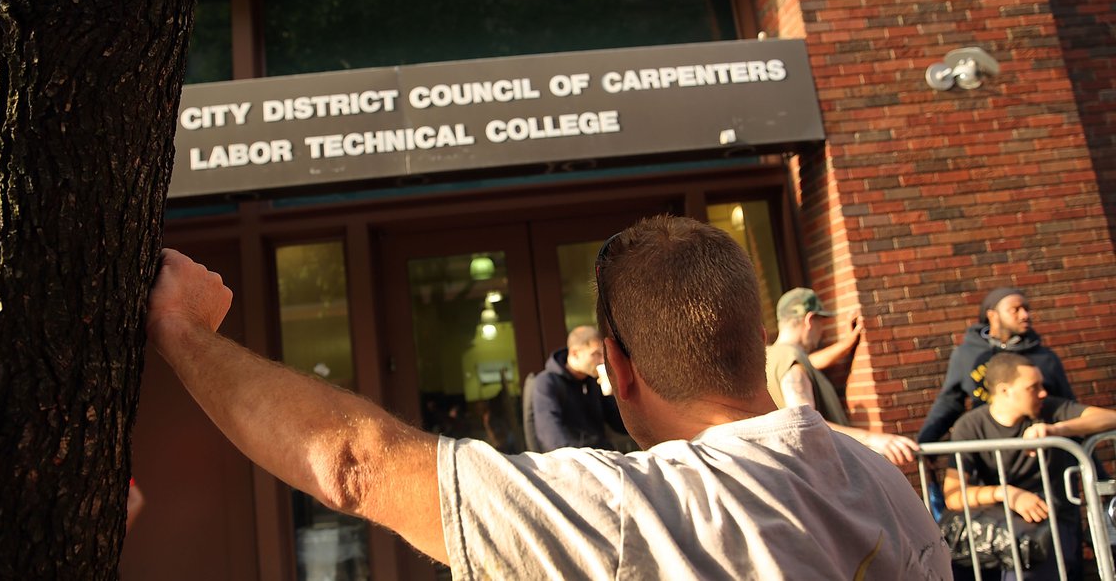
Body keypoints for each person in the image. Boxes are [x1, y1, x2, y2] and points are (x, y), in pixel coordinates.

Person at [147, 215, 951, 578]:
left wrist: (184, 330)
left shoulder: (633, 512)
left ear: (619, 370)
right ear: (752, 343)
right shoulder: (878, 480)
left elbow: (354, 465)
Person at [942, 352, 1116, 580]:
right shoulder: (970, 426)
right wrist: (1007, 494)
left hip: (1051, 524)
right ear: (1005, 391)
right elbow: (953, 495)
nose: (1043, 392)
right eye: (1033, 387)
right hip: (999, 525)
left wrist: (1057, 430)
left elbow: (1111, 418)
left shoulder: (1049, 410)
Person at [766, 287, 920, 466]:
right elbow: (805, 422)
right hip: (825, 473)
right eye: (821, 322)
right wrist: (873, 440)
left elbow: (811, 362)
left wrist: (846, 344)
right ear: (809, 320)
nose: (822, 330)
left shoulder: (771, 358)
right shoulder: (792, 359)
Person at [917, 287, 1074, 445]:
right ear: (992, 315)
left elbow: (1067, 407)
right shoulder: (967, 355)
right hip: (989, 451)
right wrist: (925, 443)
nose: (1025, 315)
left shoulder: (1044, 357)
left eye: (1026, 309)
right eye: (1015, 310)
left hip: (1038, 449)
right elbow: (949, 403)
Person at [529, 325, 625, 451]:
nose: (602, 361)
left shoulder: (594, 380)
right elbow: (552, 438)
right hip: (574, 464)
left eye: (603, 354)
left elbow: (620, 425)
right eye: (595, 354)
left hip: (603, 458)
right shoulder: (547, 382)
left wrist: (615, 393)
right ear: (575, 353)